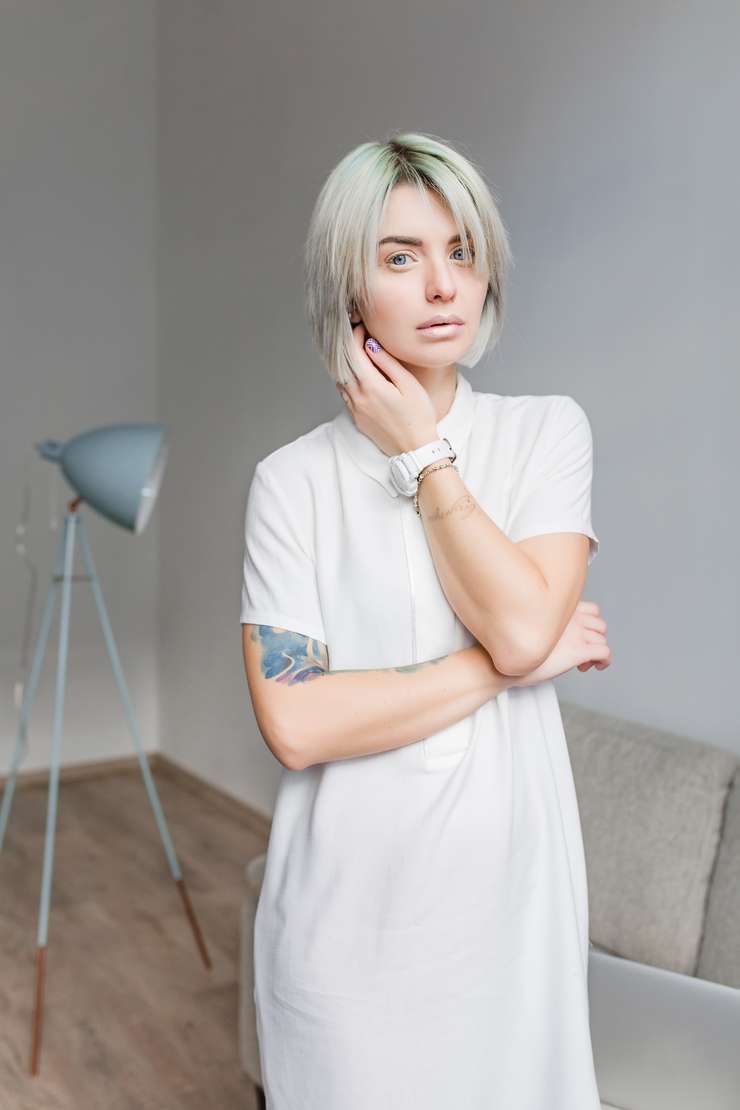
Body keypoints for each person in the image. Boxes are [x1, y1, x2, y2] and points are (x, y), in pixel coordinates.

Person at [240, 130, 612, 1109]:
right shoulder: (290, 482)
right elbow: (297, 722)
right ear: (348, 287)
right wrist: (500, 666)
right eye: (400, 257)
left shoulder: (545, 432)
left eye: (461, 251)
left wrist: (420, 453)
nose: (443, 284)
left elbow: (524, 631)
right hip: (343, 933)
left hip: (511, 925)